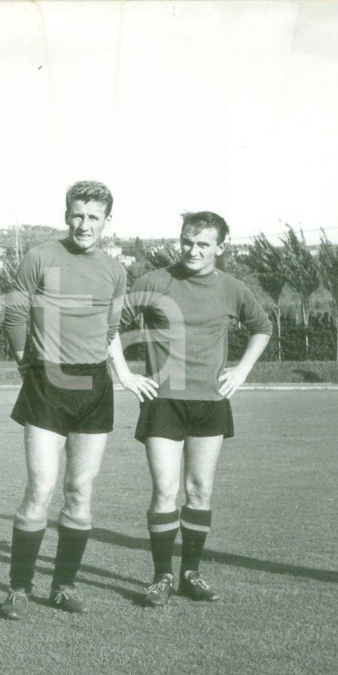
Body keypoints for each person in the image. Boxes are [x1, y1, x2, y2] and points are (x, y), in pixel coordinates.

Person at [0, 180, 157, 619]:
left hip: (93, 388)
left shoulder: (114, 270)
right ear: (66, 214)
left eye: (94, 217)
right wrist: (23, 361)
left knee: (79, 490)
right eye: (78, 215)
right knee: (40, 487)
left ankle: (64, 586)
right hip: (45, 381)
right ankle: (18, 588)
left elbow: (110, 331)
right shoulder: (40, 257)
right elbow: (14, 312)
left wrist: (122, 373)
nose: (84, 224)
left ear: (107, 221)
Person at [121, 211, 271, 607]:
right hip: (164, 401)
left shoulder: (232, 288)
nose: (193, 249)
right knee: (165, 490)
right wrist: (126, 374)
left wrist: (241, 370)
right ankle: (161, 577)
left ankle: (191, 573)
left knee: (200, 489)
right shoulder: (153, 282)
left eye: (203, 244)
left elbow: (262, 327)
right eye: (188, 241)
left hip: (210, 403)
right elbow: (108, 327)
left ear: (220, 248)